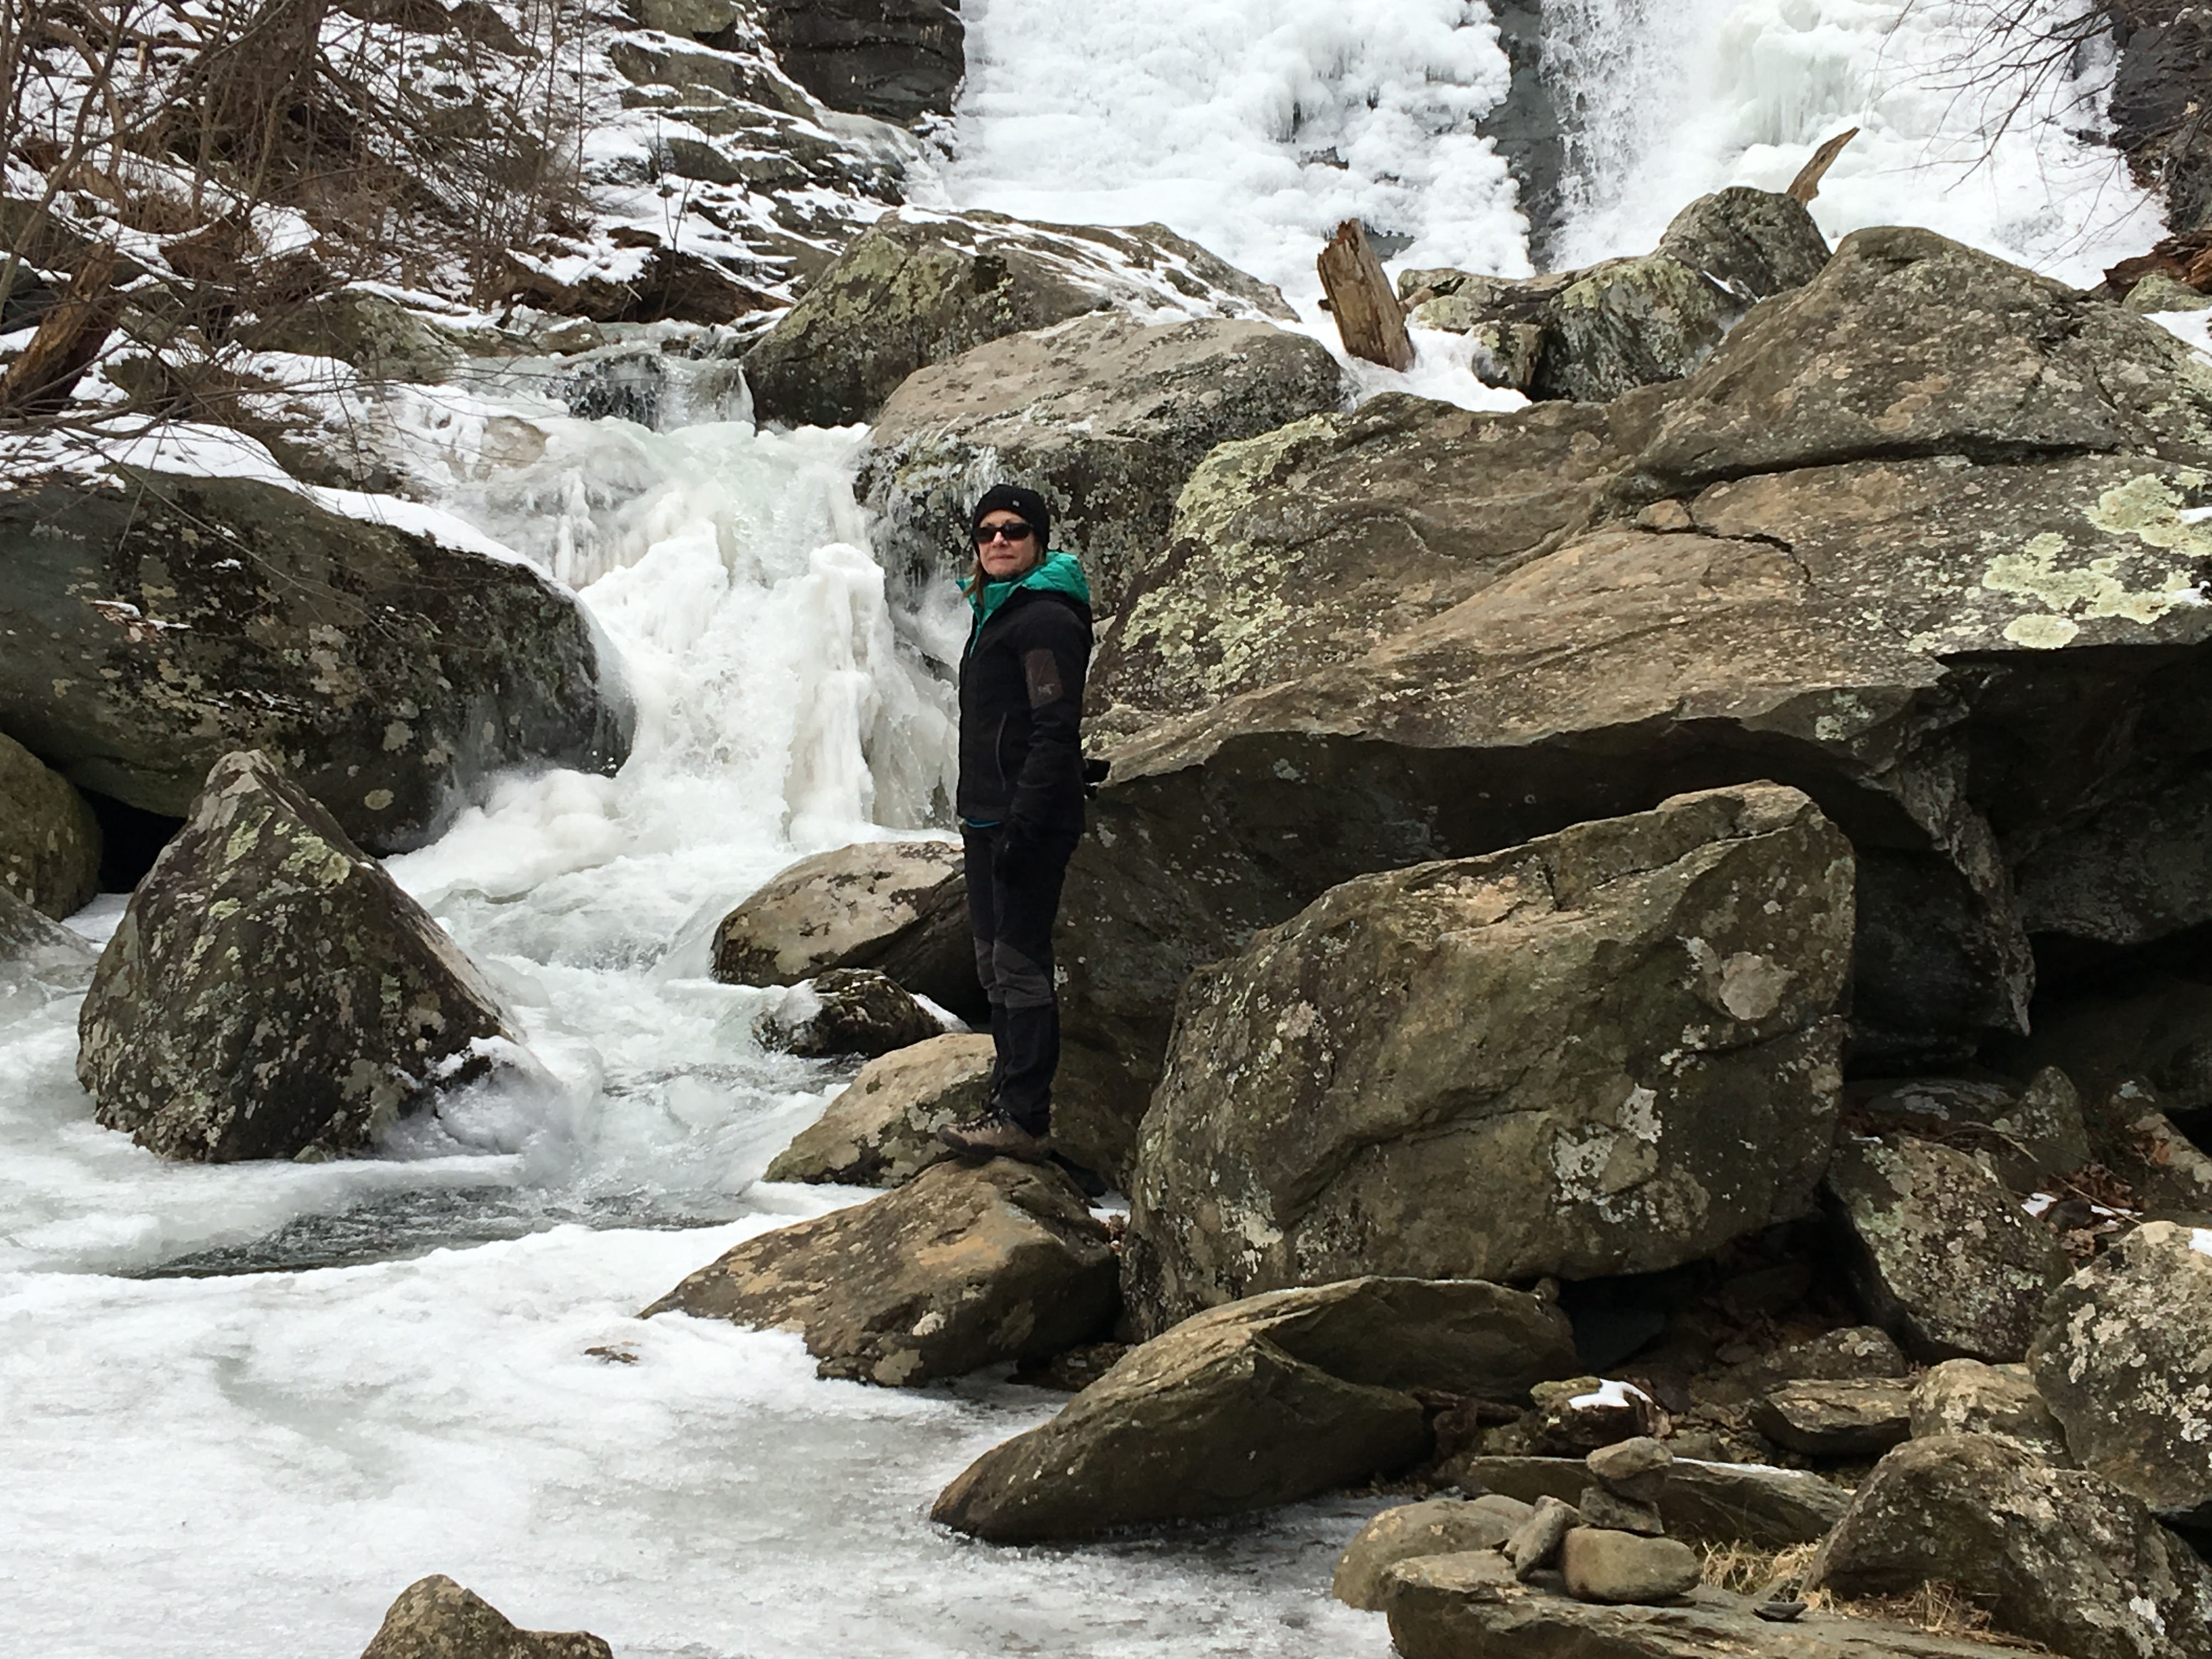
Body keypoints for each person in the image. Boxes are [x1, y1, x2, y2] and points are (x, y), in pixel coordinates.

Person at [939, 484, 1092, 1166]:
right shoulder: (996, 613)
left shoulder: (1044, 619)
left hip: (1023, 823)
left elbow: (1054, 725)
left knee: (1020, 966)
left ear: (1039, 541)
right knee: (993, 968)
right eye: (987, 531)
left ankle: (1025, 1121)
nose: (999, 540)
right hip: (986, 818)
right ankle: (1007, 1099)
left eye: (1015, 530)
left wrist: (1025, 823)